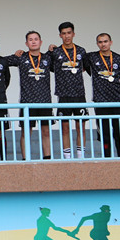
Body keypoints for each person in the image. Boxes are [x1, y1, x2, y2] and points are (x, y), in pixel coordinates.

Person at [6, 31, 54, 160]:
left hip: (45, 102)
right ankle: (25, 160)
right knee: (26, 132)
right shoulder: (21, 57)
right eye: (30, 39)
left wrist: (54, 48)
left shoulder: (47, 58)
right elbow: (0, 60)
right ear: (26, 43)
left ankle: (47, 159)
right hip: (27, 102)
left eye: (36, 39)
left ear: (41, 42)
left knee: (46, 132)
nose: (33, 42)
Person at [85, 33, 120, 158]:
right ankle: (107, 160)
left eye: (105, 41)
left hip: (118, 101)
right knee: (105, 134)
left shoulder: (118, 58)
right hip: (101, 102)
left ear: (111, 42)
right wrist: (54, 48)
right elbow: (75, 56)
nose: (103, 44)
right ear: (97, 44)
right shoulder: (92, 57)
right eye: (100, 42)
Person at [49, 22, 88, 159]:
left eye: (69, 33)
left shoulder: (81, 51)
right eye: (64, 33)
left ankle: (81, 158)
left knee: (80, 128)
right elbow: (47, 66)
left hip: (79, 94)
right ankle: (67, 159)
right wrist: (49, 50)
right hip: (63, 95)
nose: (67, 36)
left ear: (73, 34)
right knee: (65, 128)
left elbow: (85, 67)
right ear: (60, 35)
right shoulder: (55, 52)